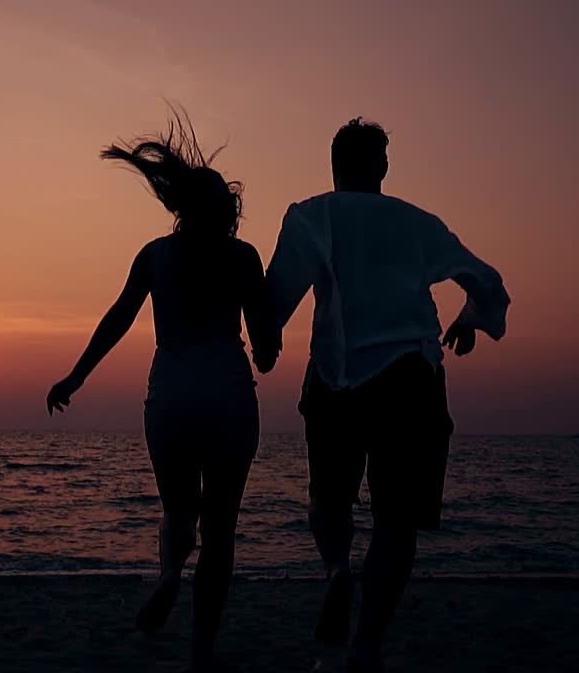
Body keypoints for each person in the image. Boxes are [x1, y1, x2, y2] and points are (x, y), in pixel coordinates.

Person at [264, 118, 510, 672]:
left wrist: (264, 340)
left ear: (334, 165)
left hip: (337, 376)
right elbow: (487, 281)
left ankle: (336, 571)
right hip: (412, 378)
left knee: (327, 502)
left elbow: (277, 296)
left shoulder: (311, 214)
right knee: (396, 524)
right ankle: (367, 647)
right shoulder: (419, 222)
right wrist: (469, 320)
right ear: (382, 168)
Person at [46, 109, 279, 672]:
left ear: (177, 208)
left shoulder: (155, 255)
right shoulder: (244, 258)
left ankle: (171, 574)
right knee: (221, 527)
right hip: (227, 398)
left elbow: (117, 320)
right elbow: (267, 351)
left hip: (171, 400)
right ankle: (202, 649)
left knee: (179, 511)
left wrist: (74, 378)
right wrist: (267, 346)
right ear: (227, 210)